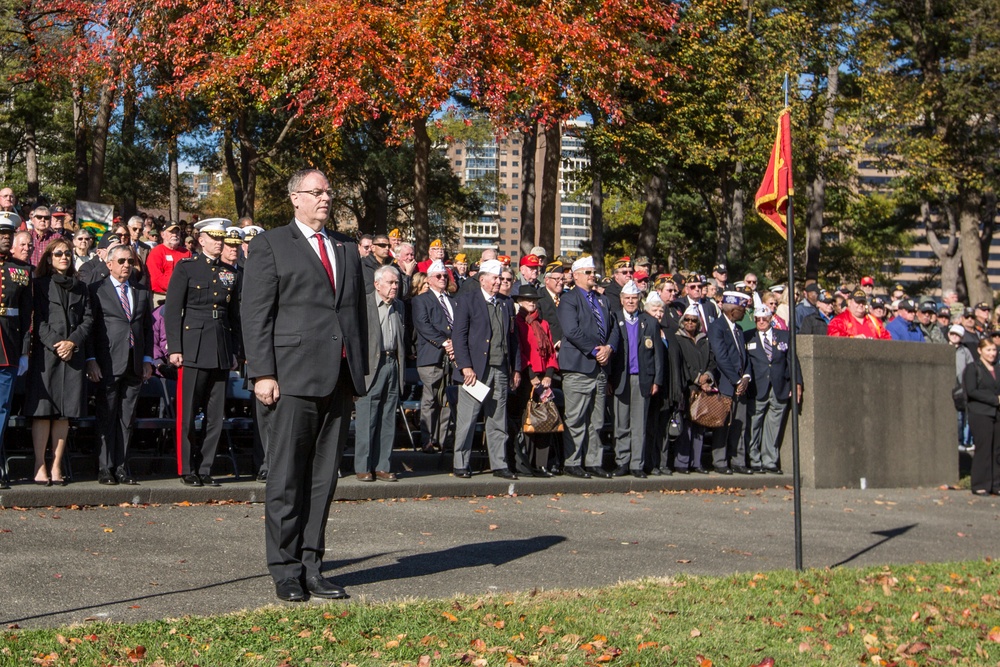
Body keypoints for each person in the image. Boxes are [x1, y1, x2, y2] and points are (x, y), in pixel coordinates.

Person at [242, 168, 367, 602]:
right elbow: (256, 313)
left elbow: (354, 315)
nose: (325, 199)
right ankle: (285, 570)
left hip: (339, 378)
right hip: (290, 377)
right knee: (286, 478)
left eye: (329, 192)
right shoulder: (271, 244)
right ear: (295, 198)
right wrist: (262, 372)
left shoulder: (346, 248)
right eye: (316, 192)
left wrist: (358, 373)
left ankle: (313, 566)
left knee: (322, 479)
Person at [165, 218, 242, 488]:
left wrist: (235, 351)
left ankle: (206, 466)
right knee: (188, 412)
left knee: (215, 414)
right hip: (193, 345)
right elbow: (172, 310)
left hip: (220, 346)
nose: (220, 242)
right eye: (215, 238)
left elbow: (234, 317)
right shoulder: (186, 268)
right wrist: (175, 347)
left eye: (222, 238)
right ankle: (187, 467)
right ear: (202, 240)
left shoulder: (231, 273)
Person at [25, 239, 92, 486]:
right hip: (47, 355)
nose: (64, 257)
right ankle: (39, 465)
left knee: (64, 414)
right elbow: (39, 321)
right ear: (49, 258)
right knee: (43, 412)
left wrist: (72, 343)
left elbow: (87, 320)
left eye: (67, 253)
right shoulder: (40, 285)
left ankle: (56, 465)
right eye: (59, 253)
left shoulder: (81, 287)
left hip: (72, 356)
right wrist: (57, 344)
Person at [87, 244, 154, 485]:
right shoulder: (96, 290)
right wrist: (91, 359)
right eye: (122, 261)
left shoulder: (141, 291)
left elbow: (146, 328)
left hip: (134, 364)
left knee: (127, 418)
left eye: (130, 261)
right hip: (107, 362)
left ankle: (122, 466)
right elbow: (91, 329)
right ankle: (105, 467)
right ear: (109, 264)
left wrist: (148, 359)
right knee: (107, 416)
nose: (127, 265)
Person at [450, 258, 521, 479]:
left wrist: (515, 368)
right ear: (482, 279)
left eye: (501, 277)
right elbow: (459, 336)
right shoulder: (468, 300)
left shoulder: (506, 303)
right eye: (496, 278)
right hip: (475, 371)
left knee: (498, 418)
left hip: (500, 369)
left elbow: (513, 339)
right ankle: (461, 463)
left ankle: (499, 464)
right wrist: (465, 367)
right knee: (467, 419)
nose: (500, 281)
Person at [557, 255, 620, 479]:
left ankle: (593, 462)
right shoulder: (569, 299)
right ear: (575, 276)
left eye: (594, 272)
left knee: (597, 419)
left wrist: (609, 348)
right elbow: (571, 331)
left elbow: (613, 326)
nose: (593, 276)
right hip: (579, 366)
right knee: (576, 418)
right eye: (588, 272)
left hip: (600, 368)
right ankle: (572, 462)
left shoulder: (603, 300)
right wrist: (595, 350)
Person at [609, 281, 664, 478]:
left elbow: (658, 354)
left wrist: (657, 380)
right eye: (627, 299)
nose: (631, 302)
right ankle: (622, 462)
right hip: (620, 379)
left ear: (639, 300)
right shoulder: (614, 318)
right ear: (621, 300)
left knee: (639, 425)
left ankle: (637, 464)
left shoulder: (649, 321)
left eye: (634, 298)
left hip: (643, 378)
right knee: (621, 423)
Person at [355, 265, 404, 482]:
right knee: (367, 417)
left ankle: (382, 465)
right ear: (377, 284)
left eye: (396, 283)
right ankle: (363, 466)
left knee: (387, 416)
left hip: (393, 363)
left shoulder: (400, 306)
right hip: (371, 366)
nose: (395, 287)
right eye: (390, 283)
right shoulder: (363, 305)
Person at [744, 306, 801, 474]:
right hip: (757, 387)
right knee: (754, 423)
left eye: (765, 319)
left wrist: (797, 382)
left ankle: (770, 460)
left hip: (779, 386)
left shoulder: (783, 336)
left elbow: (792, 361)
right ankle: (754, 459)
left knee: (773, 426)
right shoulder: (748, 336)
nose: (761, 322)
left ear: (771, 319)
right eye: (758, 319)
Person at [512, 285, 558, 476]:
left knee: (546, 420)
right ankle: (527, 463)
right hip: (527, 378)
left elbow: (550, 353)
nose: (531, 303)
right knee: (529, 421)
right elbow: (520, 351)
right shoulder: (517, 322)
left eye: (534, 300)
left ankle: (542, 464)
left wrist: (548, 375)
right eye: (527, 300)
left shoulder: (544, 324)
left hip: (544, 378)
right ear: (519, 302)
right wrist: (532, 377)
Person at [0, 212, 32, 489]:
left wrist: (23, 351)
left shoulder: (19, 270)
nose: (4, 239)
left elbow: (25, 315)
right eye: (1, 234)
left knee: (1, 408)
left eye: (8, 235)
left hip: (8, 347)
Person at [411, 260, 454, 454]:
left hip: (452, 358)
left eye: (445, 276)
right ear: (429, 279)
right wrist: (445, 342)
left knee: (446, 399)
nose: (443, 279)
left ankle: (443, 439)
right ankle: (427, 440)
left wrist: (455, 346)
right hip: (431, 356)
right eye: (438, 276)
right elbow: (423, 325)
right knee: (430, 398)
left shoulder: (452, 300)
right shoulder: (421, 300)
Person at [708, 291, 753, 474]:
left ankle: (738, 460)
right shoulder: (717, 327)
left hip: (741, 384)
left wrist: (746, 376)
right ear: (733, 310)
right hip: (726, 383)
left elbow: (745, 356)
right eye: (742, 309)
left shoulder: (739, 329)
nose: (745, 313)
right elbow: (721, 356)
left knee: (739, 423)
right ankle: (720, 461)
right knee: (723, 424)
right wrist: (736, 380)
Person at [673, 305, 715, 474]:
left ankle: (696, 462)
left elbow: (712, 360)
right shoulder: (678, 339)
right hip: (687, 386)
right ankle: (681, 462)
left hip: (704, 388)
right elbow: (681, 363)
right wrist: (696, 379)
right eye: (687, 320)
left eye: (694, 320)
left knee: (700, 425)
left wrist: (707, 377)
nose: (690, 323)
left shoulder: (704, 339)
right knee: (686, 426)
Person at [963, 339, 1000, 496]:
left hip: (996, 413)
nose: (992, 353)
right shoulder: (973, 368)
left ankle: (996, 484)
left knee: (997, 450)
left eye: (994, 350)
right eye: (988, 350)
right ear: (980, 351)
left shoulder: (998, 368)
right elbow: (971, 391)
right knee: (983, 449)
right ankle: (979, 484)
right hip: (980, 413)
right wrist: (994, 399)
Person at [146, 221, 191, 305]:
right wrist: (177, 287)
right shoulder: (156, 252)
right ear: (163, 234)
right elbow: (156, 277)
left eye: (177, 232)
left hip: (183, 297)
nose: (174, 235)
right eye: (171, 232)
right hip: (162, 297)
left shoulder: (186, 253)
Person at [537, 261, 565, 346]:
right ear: (547, 280)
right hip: (549, 346)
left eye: (562, 279)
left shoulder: (567, 297)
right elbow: (539, 325)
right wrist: (555, 342)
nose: (561, 282)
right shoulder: (539, 297)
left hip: (567, 347)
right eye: (557, 279)